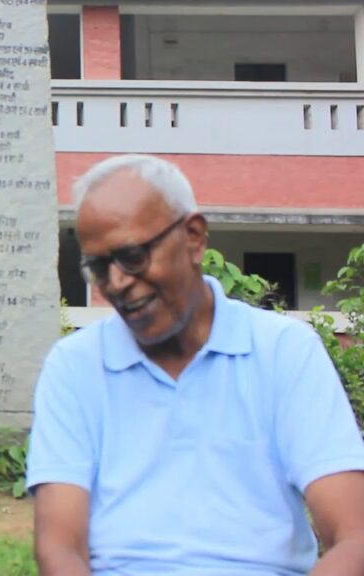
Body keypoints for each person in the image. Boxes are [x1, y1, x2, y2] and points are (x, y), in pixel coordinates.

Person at [26, 154, 364, 575]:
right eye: (99, 267)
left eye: (132, 256)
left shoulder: (284, 352)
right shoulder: (74, 367)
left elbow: (354, 538)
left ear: (194, 238)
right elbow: (59, 549)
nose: (116, 283)